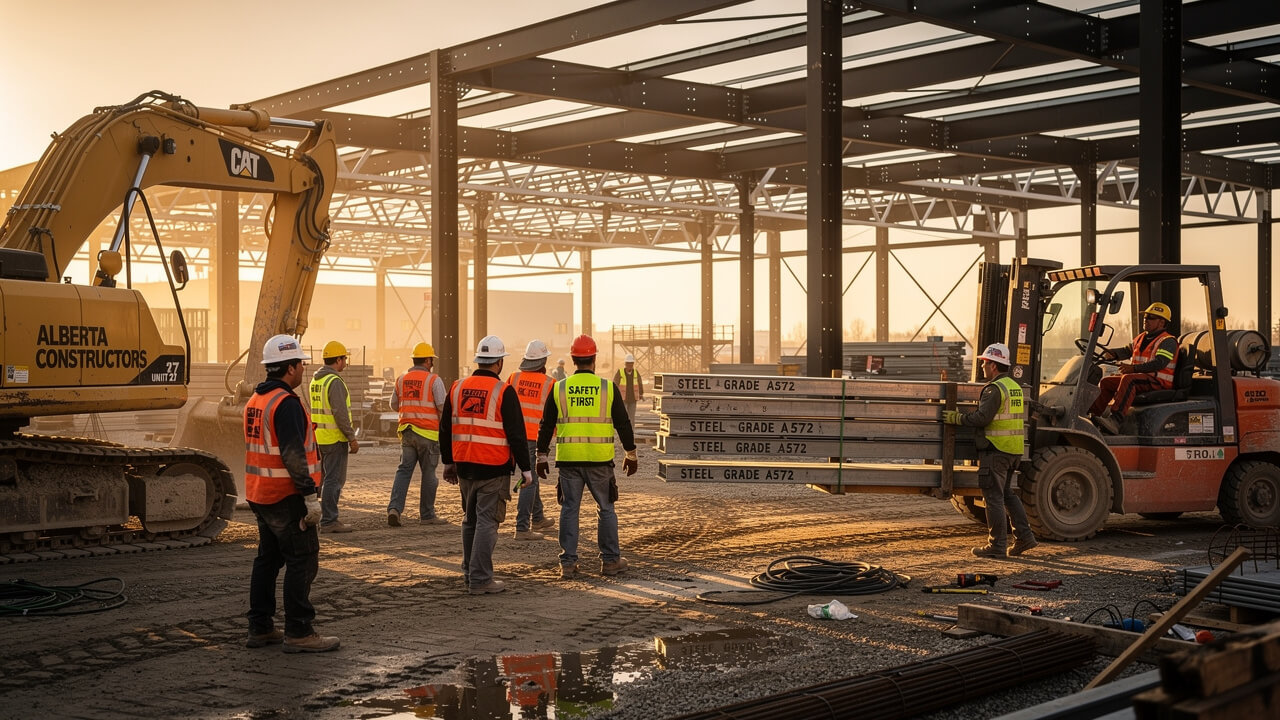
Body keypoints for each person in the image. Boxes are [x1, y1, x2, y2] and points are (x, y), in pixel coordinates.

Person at [244, 334, 340, 652]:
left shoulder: (257, 400)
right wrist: (310, 496)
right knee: (302, 560)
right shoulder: (285, 404)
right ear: (289, 367)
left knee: (268, 560)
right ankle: (299, 632)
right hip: (286, 496)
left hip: (260, 493)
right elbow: (293, 454)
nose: (303, 369)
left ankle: (260, 627)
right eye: (300, 364)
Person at [536, 334, 638, 580]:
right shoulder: (607, 387)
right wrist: (631, 453)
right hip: (599, 460)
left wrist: (541, 456)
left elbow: (546, 424)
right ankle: (610, 561)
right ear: (594, 359)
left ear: (573, 359)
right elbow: (623, 423)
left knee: (569, 509)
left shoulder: (559, 387)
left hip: (569, 460)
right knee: (606, 509)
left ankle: (568, 564)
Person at [440, 335, 533, 595]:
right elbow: (516, 433)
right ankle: (481, 579)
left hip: (464, 465)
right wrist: (526, 469)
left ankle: (470, 573)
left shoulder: (457, 387)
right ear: (499, 362)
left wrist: (448, 462)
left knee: (469, 520)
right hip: (493, 466)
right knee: (487, 522)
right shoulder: (503, 391)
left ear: (478, 360)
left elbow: (445, 428)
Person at [943, 342, 1036, 559]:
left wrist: (957, 418)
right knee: (1007, 495)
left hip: (996, 450)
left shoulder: (994, 389)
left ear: (994, 365)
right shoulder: (1013, 386)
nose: (982, 366)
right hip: (1013, 450)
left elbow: (982, 418)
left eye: (984, 363)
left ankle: (997, 545)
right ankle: (1024, 537)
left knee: (993, 497)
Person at [1088, 302, 1179, 434]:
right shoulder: (1141, 338)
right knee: (1106, 382)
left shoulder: (1167, 341)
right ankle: (1092, 417)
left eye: (1151, 317)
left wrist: (1133, 369)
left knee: (1128, 379)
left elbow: (1160, 363)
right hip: (1142, 378)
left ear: (1162, 322)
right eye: (1145, 316)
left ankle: (1115, 421)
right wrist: (1113, 353)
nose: (1146, 319)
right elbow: (1127, 350)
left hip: (1159, 382)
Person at [388, 342, 449, 526]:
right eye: (431, 360)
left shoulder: (401, 379)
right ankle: (427, 515)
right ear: (428, 360)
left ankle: (394, 509)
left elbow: (393, 404)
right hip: (428, 434)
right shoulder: (434, 380)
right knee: (429, 474)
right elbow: (442, 407)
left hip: (407, 432)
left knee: (404, 471)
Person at [507, 340, 558, 541]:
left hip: (513, 436)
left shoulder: (513, 378)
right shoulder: (550, 383)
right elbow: (554, 415)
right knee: (530, 480)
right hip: (535, 438)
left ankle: (538, 517)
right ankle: (522, 527)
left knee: (531, 476)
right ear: (543, 361)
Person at [308, 340, 359, 533]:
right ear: (338, 360)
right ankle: (329, 521)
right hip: (335, 438)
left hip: (320, 437)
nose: (345, 362)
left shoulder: (316, 380)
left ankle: (320, 517)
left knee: (323, 479)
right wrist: (351, 438)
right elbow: (340, 414)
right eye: (344, 358)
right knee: (334, 480)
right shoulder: (334, 382)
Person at [612, 353, 645, 422]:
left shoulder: (636, 372)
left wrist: (641, 393)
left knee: (631, 418)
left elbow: (640, 383)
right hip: (623, 399)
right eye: (628, 363)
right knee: (623, 416)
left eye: (631, 363)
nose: (630, 365)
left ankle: (631, 429)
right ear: (625, 364)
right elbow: (615, 384)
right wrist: (615, 396)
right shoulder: (620, 372)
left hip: (633, 399)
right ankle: (624, 429)